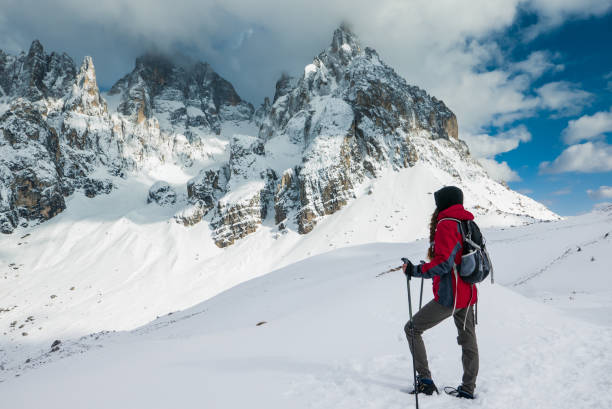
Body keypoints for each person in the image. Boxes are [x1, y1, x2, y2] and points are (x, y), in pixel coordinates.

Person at [402, 186, 479, 399]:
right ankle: (468, 388)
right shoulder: (467, 222)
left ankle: (425, 382)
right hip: (469, 293)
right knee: (468, 340)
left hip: (450, 297)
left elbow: (444, 263)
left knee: (412, 329)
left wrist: (415, 270)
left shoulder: (446, 224)